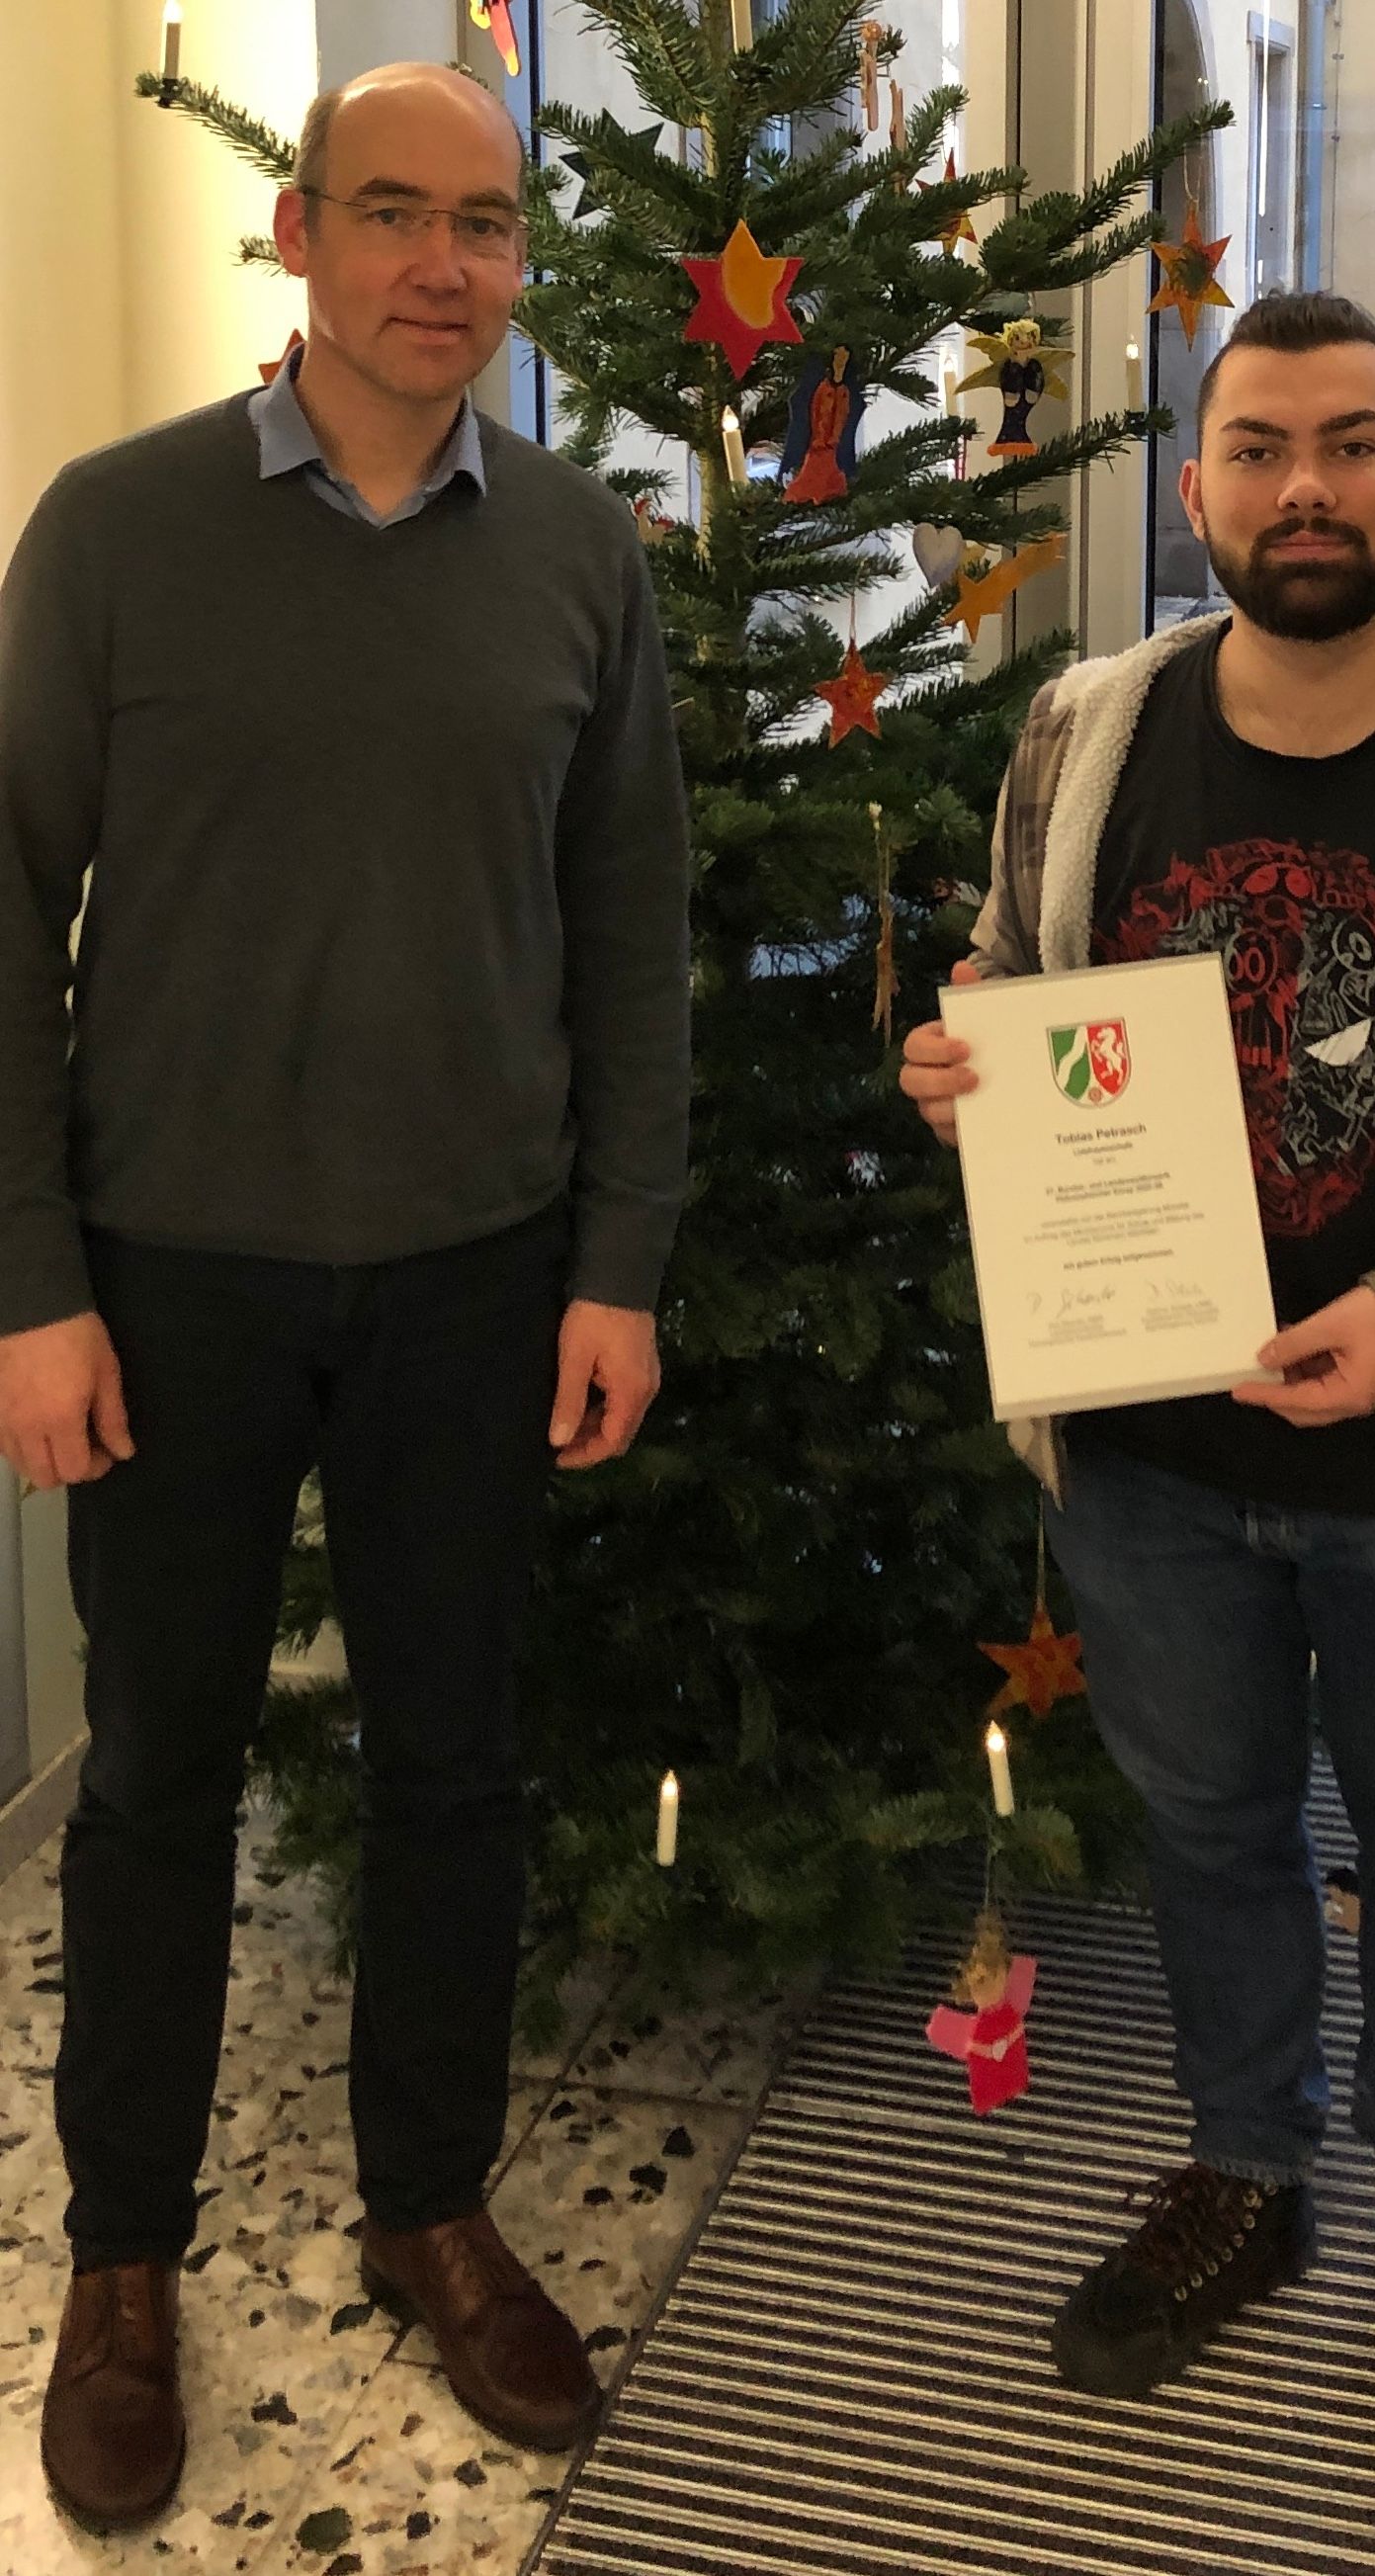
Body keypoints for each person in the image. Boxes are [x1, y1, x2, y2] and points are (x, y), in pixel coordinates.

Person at [0, 63, 691, 2533]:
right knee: (157, 1776)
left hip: (475, 1274)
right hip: (170, 1276)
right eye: (392, 213)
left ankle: (429, 2205)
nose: (442, 264)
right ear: (297, 235)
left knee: (456, 1765)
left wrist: (616, 1264)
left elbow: (631, 937)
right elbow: (7, 910)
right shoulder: (116, 531)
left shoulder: (580, 555)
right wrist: (32, 1282)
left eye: (485, 225)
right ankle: (120, 2258)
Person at [900, 290, 1375, 2472]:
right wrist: (963, 1058)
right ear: (1200, 485)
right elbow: (1018, 985)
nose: (1301, 487)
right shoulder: (1083, 733)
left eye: (1347, 444)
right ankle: (1247, 2159)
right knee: (1211, 1824)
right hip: (1141, 1442)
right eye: (1255, 448)